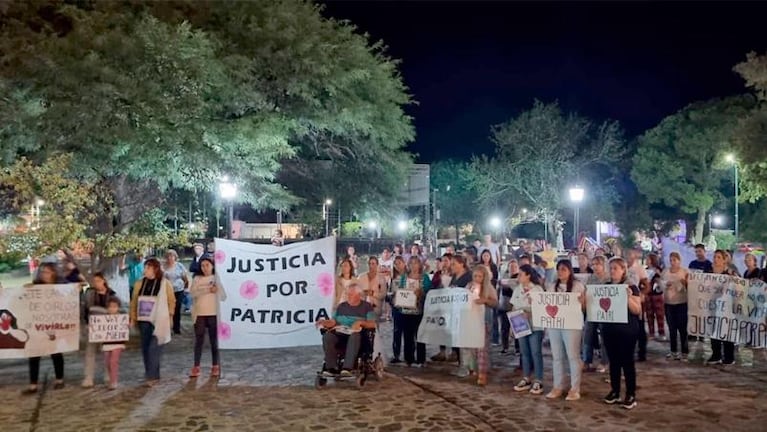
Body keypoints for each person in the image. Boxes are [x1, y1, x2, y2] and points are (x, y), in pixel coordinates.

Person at [602, 257, 643, 410]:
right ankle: (615, 391)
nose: (612, 271)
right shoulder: (605, 286)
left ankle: (631, 394)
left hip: (627, 330)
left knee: (627, 361)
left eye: (615, 268)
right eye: (611, 268)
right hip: (609, 329)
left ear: (623, 270)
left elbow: (637, 310)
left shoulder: (631, 287)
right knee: (614, 361)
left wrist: (626, 297)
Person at [130, 258, 176, 387]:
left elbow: (171, 301)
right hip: (144, 320)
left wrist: (171, 316)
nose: (145, 270)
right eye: (145, 268)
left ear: (155, 269)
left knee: (154, 348)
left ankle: (152, 375)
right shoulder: (139, 283)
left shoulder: (165, 283)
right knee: (145, 348)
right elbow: (134, 301)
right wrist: (133, 317)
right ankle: (151, 373)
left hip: (159, 320)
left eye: (148, 268)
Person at [546, 260, 586, 401]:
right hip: (555, 324)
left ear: (569, 270)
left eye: (563, 269)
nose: (560, 272)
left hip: (572, 325)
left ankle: (575, 388)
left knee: (572, 356)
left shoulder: (577, 286)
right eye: (558, 269)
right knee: (557, 356)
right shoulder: (552, 287)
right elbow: (546, 303)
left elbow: (583, 307)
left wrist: (583, 302)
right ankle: (558, 386)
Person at [23, 263, 66, 394]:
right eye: (42, 272)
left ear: (53, 273)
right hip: (38, 325)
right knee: (34, 354)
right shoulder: (35, 287)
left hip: (54, 323)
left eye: (47, 272)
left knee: (56, 352)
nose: (44, 274)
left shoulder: (60, 287)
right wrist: (26, 289)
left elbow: (67, 300)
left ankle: (59, 379)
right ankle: (33, 384)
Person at [318, 283, 377, 377]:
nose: (348, 296)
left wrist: (361, 322)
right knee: (327, 337)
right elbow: (333, 321)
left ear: (358, 295)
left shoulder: (366, 307)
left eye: (350, 294)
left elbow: (373, 324)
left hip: (358, 335)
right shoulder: (341, 306)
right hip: (341, 334)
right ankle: (331, 367)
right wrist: (324, 322)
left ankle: (347, 367)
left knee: (354, 336)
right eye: (347, 294)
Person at [189, 257, 226, 378]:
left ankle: (215, 365)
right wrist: (206, 289)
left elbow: (223, 296)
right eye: (202, 265)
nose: (205, 268)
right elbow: (193, 293)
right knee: (199, 340)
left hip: (213, 312)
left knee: (213, 340)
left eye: (207, 265)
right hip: (199, 313)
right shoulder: (197, 279)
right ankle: (196, 366)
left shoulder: (216, 278)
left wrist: (217, 290)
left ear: (212, 266)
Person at [511, 264, 545, 395]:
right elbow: (514, 307)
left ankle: (538, 379)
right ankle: (526, 377)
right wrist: (512, 325)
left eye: (520, 274)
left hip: (535, 324)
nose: (518, 277)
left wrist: (530, 313)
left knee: (535, 352)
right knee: (524, 352)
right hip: (520, 324)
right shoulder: (517, 289)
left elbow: (543, 308)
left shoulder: (537, 290)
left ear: (528, 275)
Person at [80, 272, 118, 388]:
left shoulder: (112, 294)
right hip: (92, 328)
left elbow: (117, 311)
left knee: (107, 353)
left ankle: (108, 376)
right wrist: (86, 323)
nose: (96, 283)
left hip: (107, 329)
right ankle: (88, 377)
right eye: (94, 281)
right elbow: (84, 309)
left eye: (98, 281)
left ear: (103, 280)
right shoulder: (89, 293)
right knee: (90, 353)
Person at [462, 265, 498, 386]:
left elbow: (495, 302)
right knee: (472, 347)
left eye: (480, 276)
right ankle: (474, 369)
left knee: (482, 348)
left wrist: (485, 300)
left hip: (484, 319)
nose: (477, 278)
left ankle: (483, 373)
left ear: (484, 277)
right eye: (475, 276)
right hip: (471, 319)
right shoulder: (469, 286)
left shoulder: (488, 287)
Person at [394, 256, 431, 367]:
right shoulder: (404, 277)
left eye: (416, 263)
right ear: (408, 265)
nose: (413, 265)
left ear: (420, 265)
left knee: (420, 335)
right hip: (405, 310)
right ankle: (408, 359)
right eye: (411, 263)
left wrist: (422, 292)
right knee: (407, 336)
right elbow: (400, 290)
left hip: (419, 311)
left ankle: (421, 359)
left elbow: (430, 290)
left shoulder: (424, 277)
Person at [707, 250, 737, 365]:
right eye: (714, 257)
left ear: (724, 260)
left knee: (726, 331)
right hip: (712, 307)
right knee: (713, 331)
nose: (716, 259)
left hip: (726, 308)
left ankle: (729, 357)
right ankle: (716, 355)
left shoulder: (729, 274)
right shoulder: (709, 273)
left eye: (719, 257)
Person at [583, 256, 610, 373]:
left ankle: (605, 361)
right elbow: (587, 291)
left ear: (603, 265)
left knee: (605, 336)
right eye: (593, 264)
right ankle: (586, 361)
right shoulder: (591, 278)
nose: (595, 267)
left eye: (597, 264)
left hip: (605, 311)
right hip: (592, 310)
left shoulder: (608, 278)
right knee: (587, 334)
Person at [430, 254, 458, 362]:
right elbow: (433, 286)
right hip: (440, 303)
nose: (445, 263)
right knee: (441, 327)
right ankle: (442, 351)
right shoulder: (438, 274)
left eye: (447, 261)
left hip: (452, 304)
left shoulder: (455, 274)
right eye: (443, 261)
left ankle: (454, 351)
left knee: (452, 328)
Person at [661, 252, 689, 361]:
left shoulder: (684, 272)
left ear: (679, 260)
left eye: (674, 260)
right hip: (669, 303)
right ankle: (673, 351)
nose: (672, 262)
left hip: (681, 303)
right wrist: (665, 284)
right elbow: (660, 284)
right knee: (671, 328)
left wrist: (684, 283)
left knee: (682, 329)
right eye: (671, 260)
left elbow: (690, 286)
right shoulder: (665, 272)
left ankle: (685, 351)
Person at [626, 249, 649, 361]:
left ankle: (642, 351)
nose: (628, 256)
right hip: (623, 301)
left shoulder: (639, 268)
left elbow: (646, 284)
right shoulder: (621, 266)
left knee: (639, 326)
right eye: (626, 254)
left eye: (630, 254)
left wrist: (642, 294)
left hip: (635, 299)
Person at [102, 297, 126, 390]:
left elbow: (125, 328)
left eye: (114, 306)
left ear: (118, 307)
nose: (112, 308)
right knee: (107, 362)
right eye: (110, 306)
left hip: (118, 342)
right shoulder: (103, 318)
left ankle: (114, 381)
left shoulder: (121, 318)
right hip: (107, 343)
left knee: (113, 361)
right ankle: (111, 378)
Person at [163, 249, 189, 335]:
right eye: (168, 256)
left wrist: (185, 288)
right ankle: (167, 328)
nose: (170, 258)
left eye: (172, 256)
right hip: (167, 291)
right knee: (167, 310)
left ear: (175, 257)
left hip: (179, 290)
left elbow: (185, 278)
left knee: (177, 309)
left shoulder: (179, 266)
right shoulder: (163, 266)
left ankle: (176, 328)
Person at [389, 256, 407, 364]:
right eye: (395, 263)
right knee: (397, 331)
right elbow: (390, 291)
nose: (397, 265)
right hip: (396, 307)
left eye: (399, 263)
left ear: (404, 263)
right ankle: (396, 354)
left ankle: (409, 354)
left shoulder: (409, 276)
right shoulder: (393, 278)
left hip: (408, 307)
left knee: (408, 332)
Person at [645, 253, 666, 341]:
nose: (646, 261)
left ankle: (661, 333)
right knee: (649, 314)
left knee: (659, 314)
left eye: (648, 259)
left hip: (657, 295)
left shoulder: (659, 269)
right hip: (648, 294)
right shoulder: (645, 270)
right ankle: (651, 333)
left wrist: (659, 275)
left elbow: (663, 280)